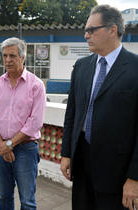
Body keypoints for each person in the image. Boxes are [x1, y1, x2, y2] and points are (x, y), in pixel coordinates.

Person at [60, 4, 138, 210]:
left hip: (117, 172)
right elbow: (72, 114)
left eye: (91, 30)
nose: (86, 35)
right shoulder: (82, 66)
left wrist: (135, 178)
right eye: (85, 30)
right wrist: (66, 153)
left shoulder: (135, 68)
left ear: (113, 30)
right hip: (82, 162)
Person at [0, 37, 46, 209]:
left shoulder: (36, 85)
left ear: (22, 57)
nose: (8, 60)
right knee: (4, 197)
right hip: (0, 148)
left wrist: (10, 144)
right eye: (5, 56)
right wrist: (1, 145)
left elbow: (35, 122)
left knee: (27, 200)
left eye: (12, 55)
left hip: (26, 148)